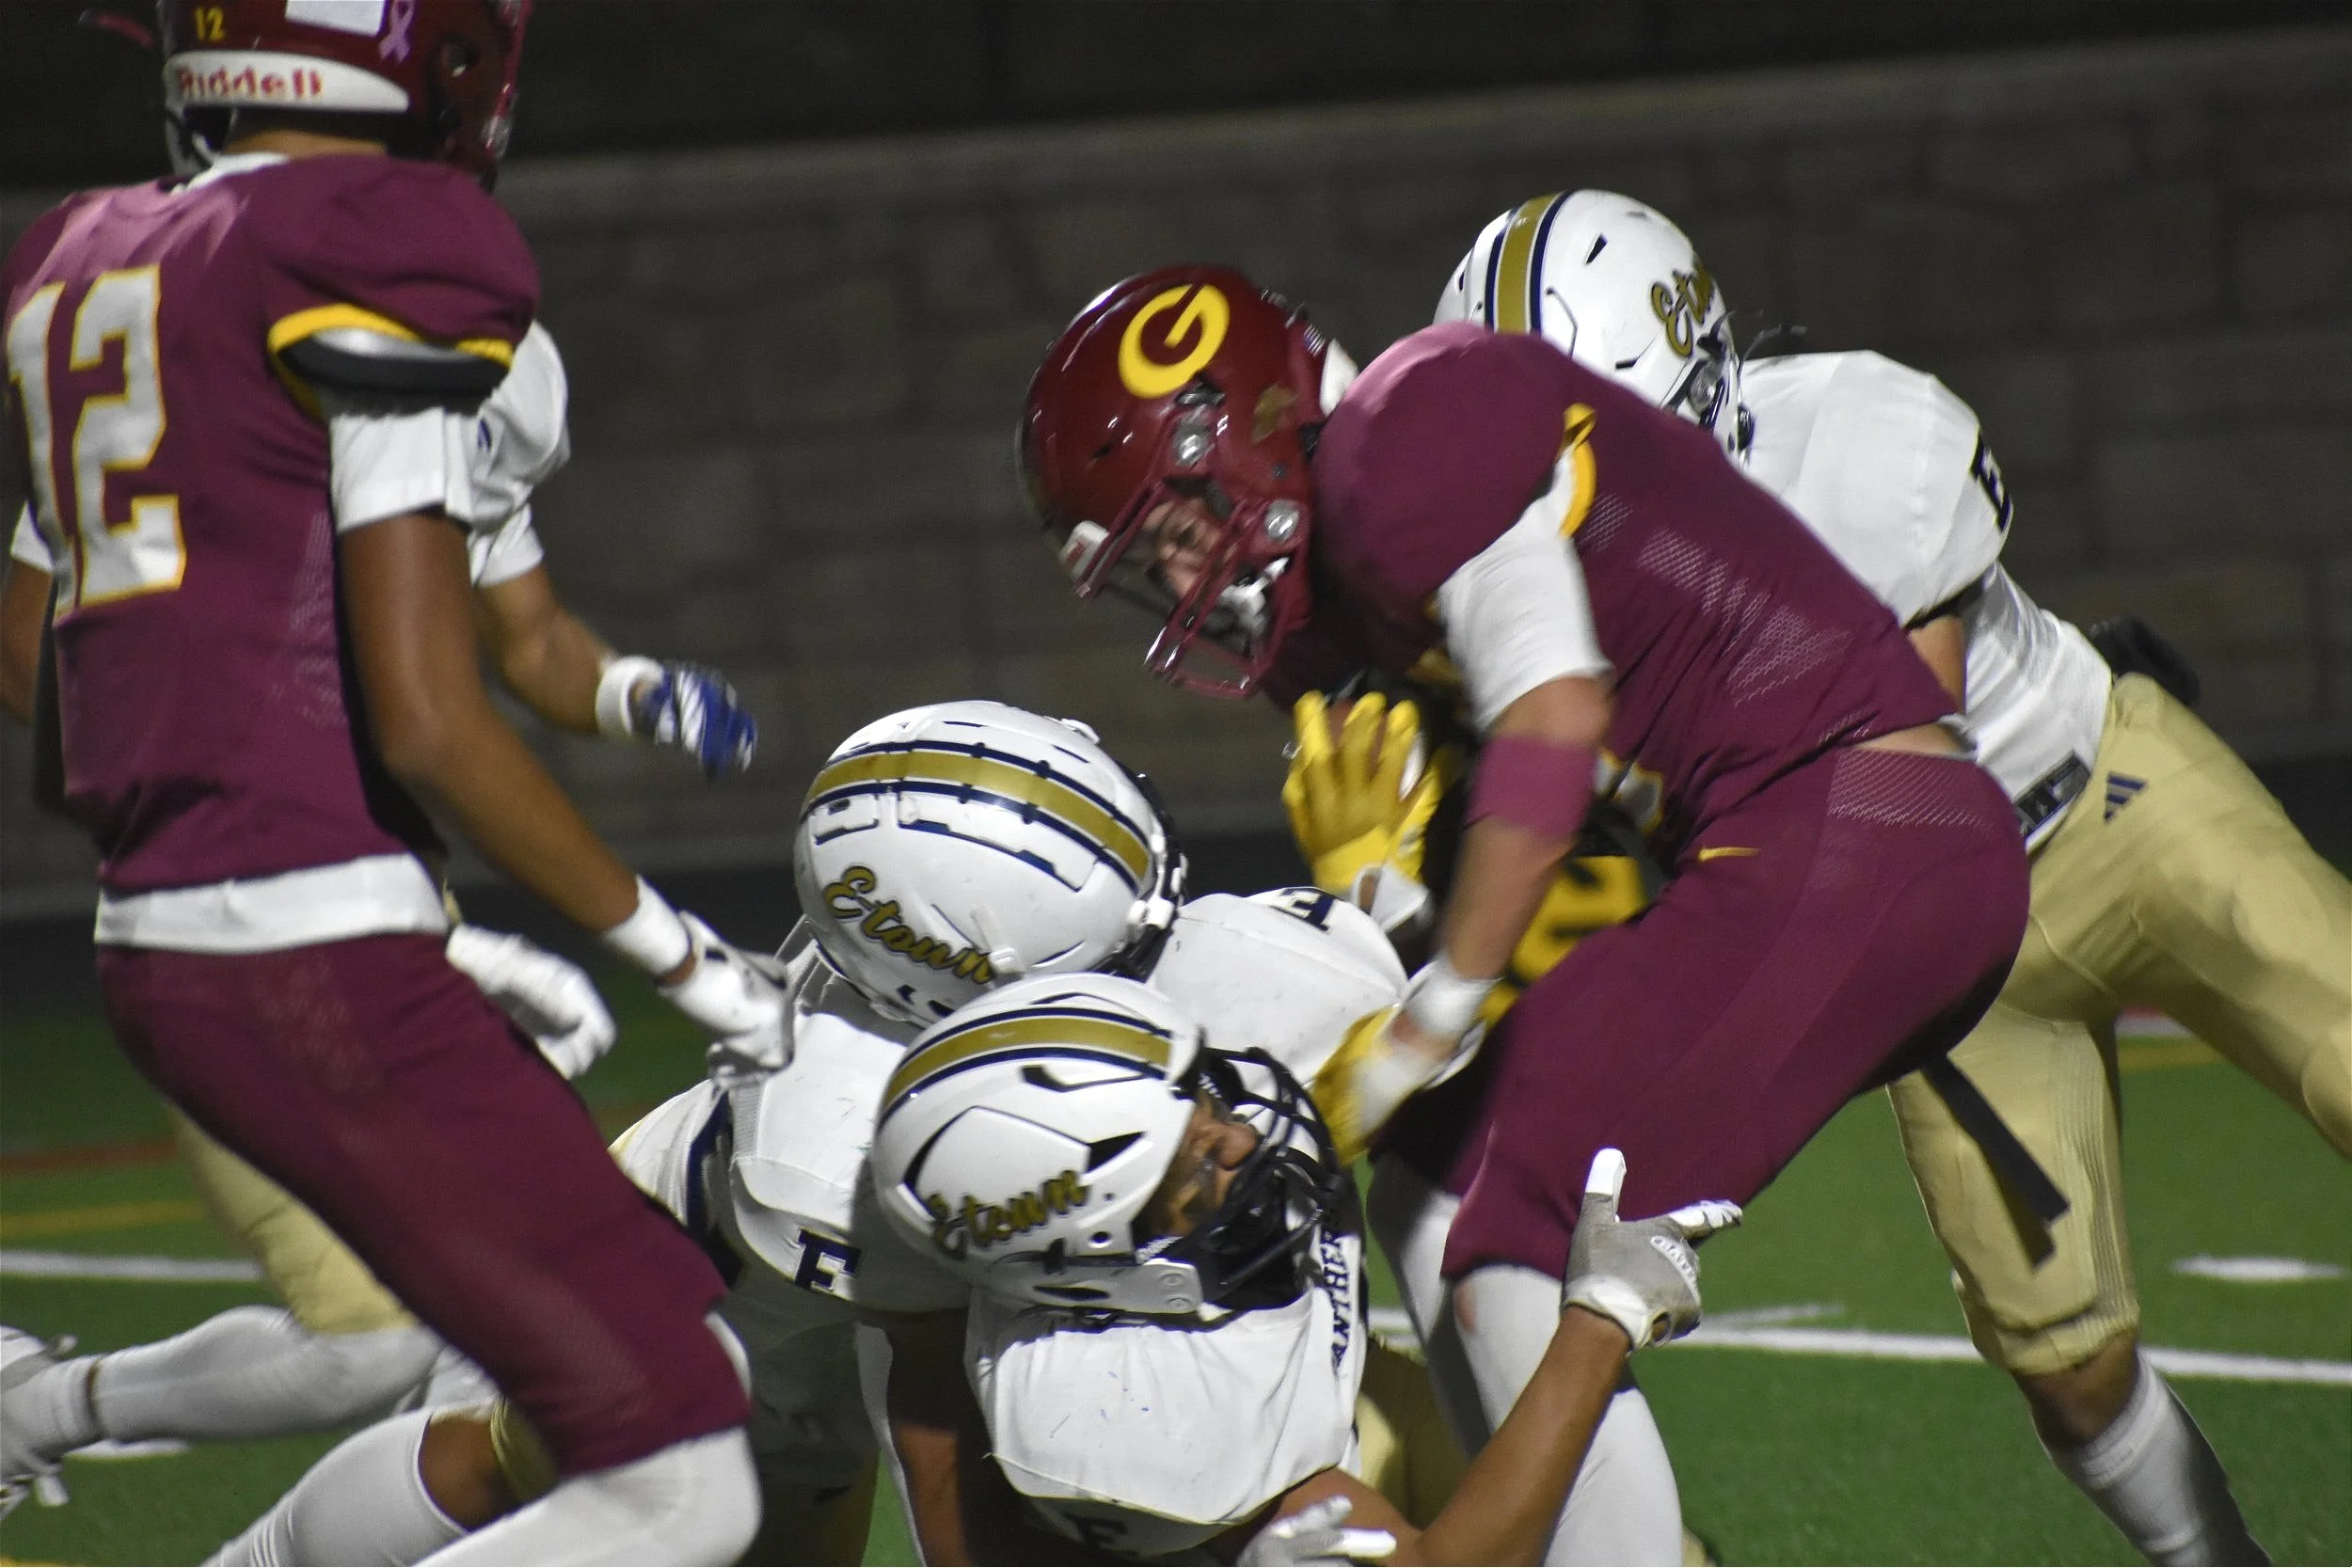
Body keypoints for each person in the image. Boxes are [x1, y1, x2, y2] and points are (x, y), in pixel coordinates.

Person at [1019, 266, 2033, 1563]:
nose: (1181, 578)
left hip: (1863, 824)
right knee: (1428, 1173)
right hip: (1797, 849)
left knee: (1509, 1197)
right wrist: (1380, 895)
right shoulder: (1329, 618)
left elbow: (1552, 723)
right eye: (1146, 565)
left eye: (1175, 527)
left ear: (1241, 429)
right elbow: (1502, 873)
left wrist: (1422, 1023)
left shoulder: (1412, 424)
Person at [1434, 188, 2347, 1565]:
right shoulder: (1518, 611)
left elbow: (1903, 798)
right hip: (1947, 971)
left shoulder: (1855, 447)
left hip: (2103, 804)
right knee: (2070, 1367)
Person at [0, 4, 786, 1559]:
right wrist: (686, 961)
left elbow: (81, 702)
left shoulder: (98, 267)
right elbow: (431, 720)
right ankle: (34, 1407)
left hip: (227, 916)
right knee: (632, 1441)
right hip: (297, 927)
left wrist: (626, 700)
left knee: (581, 1379)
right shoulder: (370, 258)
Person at [200, 700, 1452, 1565]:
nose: (1155, 937)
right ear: (968, 982)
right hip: (718, 1316)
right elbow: (936, 1412)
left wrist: (1369, 903)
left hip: (823, 1240)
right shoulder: (838, 1145)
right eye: (1109, 945)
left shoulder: (956, 960)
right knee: (516, 1471)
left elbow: (1262, 1041)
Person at [866, 972, 1740, 1565]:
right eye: (1197, 1164)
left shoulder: (1218, 1021)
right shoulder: (1116, 1411)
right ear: (1092, 1257)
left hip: (1328, 1404)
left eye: (1205, 1097)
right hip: (1240, 1492)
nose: (1243, 1137)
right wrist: (1602, 1318)